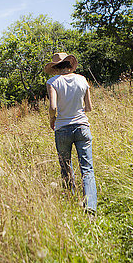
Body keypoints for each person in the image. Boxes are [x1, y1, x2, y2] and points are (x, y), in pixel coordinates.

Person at [45, 52, 97, 215]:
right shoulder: (82, 79)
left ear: (55, 68)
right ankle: (90, 208)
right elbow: (89, 107)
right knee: (87, 168)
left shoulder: (52, 82)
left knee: (66, 167)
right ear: (70, 64)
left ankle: (70, 201)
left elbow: (53, 107)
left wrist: (52, 120)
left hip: (62, 128)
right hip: (82, 126)